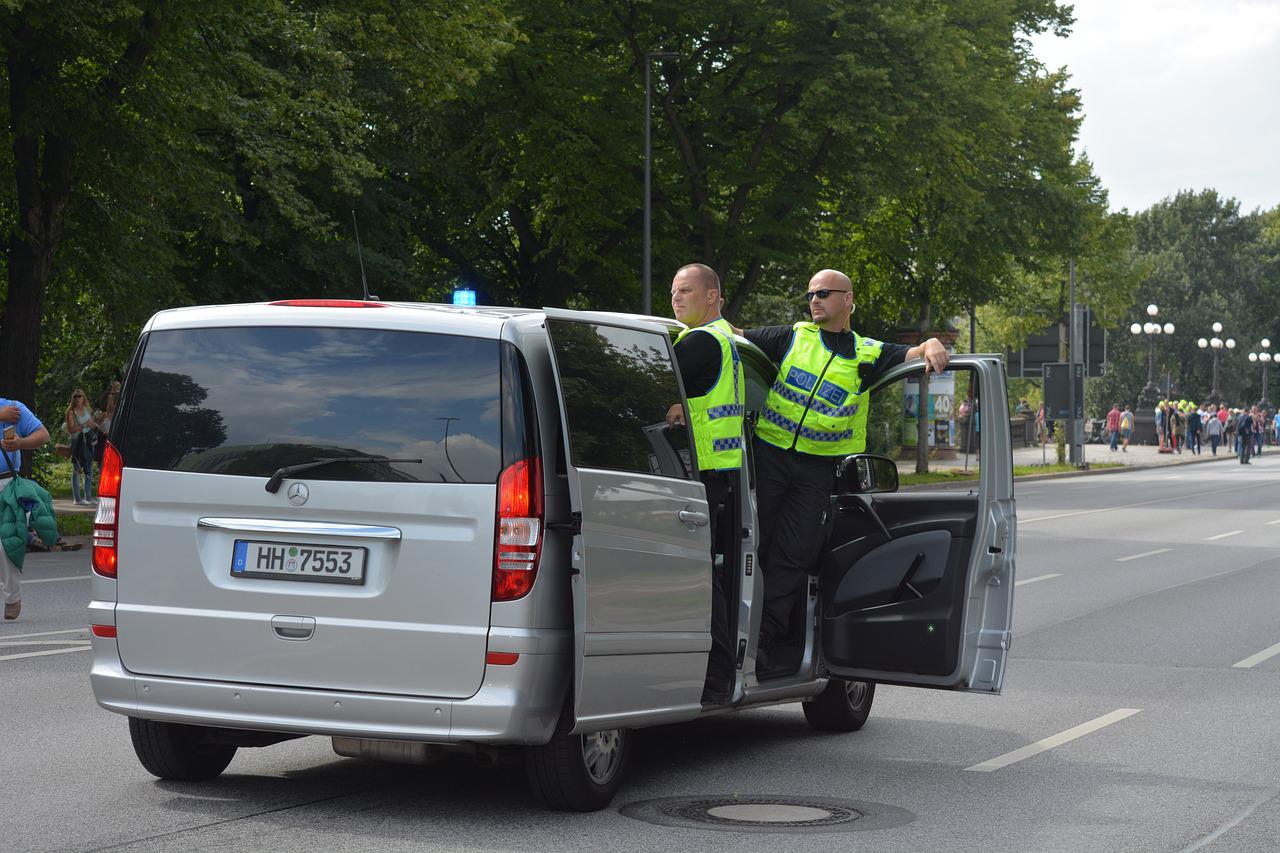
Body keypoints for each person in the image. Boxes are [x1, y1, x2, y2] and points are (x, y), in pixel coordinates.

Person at [737, 269, 949, 672]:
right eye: (810, 292)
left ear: (847, 300)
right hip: (769, 459)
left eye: (823, 293)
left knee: (793, 557)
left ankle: (764, 640)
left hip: (817, 473)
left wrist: (934, 343)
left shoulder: (868, 353)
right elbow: (732, 336)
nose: (814, 299)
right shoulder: (792, 336)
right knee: (752, 546)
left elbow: (917, 351)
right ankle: (734, 629)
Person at [666, 263, 744, 704]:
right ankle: (718, 672)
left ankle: (715, 674)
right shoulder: (726, 340)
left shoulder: (698, 342)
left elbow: (643, 387)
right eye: (674, 291)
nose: (676, 298)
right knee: (705, 575)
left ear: (712, 296)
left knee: (698, 578)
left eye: (687, 291)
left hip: (697, 477)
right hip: (717, 476)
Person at [1, 397, 52, 621]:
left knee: (6, 543)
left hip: (7, 485)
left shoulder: (14, 408)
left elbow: (44, 435)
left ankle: (12, 597)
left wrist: (20, 444)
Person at [64, 389, 99, 506]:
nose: (78, 398)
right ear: (72, 399)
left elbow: (92, 423)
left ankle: (88, 498)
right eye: (75, 396)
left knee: (89, 469)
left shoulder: (87, 410)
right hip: (77, 442)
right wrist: (85, 424)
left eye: (80, 396)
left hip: (88, 441)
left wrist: (94, 424)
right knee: (77, 469)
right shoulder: (71, 412)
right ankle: (77, 499)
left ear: (84, 398)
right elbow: (71, 430)